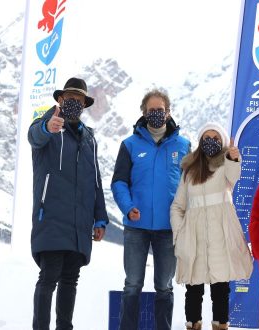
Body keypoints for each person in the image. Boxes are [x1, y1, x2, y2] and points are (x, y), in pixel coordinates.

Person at [28, 77, 109, 330]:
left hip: (79, 221)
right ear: (60, 100)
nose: (74, 103)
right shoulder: (47, 125)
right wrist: (46, 128)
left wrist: (100, 217)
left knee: (70, 280)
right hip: (51, 216)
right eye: (70, 99)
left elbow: (96, 180)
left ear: (84, 105)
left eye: (79, 100)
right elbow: (34, 137)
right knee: (48, 277)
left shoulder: (89, 139)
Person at [111, 89, 191, 330]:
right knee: (132, 284)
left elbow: (191, 185)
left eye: (160, 110)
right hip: (136, 227)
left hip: (169, 228)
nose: (156, 114)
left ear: (168, 112)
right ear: (143, 113)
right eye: (151, 111)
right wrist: (128, 207)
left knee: (164, 286)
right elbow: (119, 182)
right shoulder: (130, 144)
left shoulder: (184, 145)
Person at [170, 122, 253, 330]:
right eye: (206, 138)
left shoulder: (226, 166)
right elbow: (177, 206)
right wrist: (179, 234)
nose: (210, 142)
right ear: (200, 142)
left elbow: (234, 176)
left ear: (223, 142)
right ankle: (192, 325)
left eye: (216, 138)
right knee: (194, 291)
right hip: (194, 238)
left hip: (220, 238)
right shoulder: (189, 171)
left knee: (220, 290)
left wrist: (234, 158)